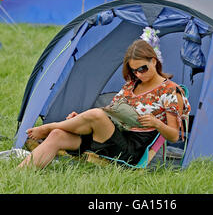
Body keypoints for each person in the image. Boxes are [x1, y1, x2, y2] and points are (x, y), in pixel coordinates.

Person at [18, 28, 191, 169]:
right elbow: (112, 113)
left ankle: (49, 126)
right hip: (107, 138)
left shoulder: (171, 91)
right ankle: (19, 175)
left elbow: (174, 136)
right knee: (58, 135)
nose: (138, 74)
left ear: (154, 61)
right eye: (134, 71)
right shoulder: (132, 85)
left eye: (142, 68)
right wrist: (81, 120)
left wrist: (156, 123)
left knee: (95, 115)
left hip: (130, 149)